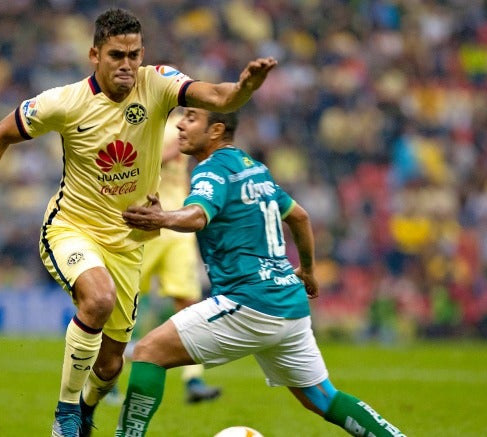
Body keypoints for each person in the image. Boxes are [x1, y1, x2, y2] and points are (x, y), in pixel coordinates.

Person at [0, 8, 277, 437]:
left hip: (129, 242)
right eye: (116, 55)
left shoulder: (157, 83)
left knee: (109, 365)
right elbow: (0, 134)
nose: (127, 65)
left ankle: (86, 408)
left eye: (134, 55)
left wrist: (244, 88)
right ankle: (66, 414)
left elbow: (218, 97)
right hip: (72, 227)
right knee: (98, 299)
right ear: (94, 55)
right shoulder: (64, 102)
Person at [117, 108, 406, 437]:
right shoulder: (255, 168)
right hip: (289, 302)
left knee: (147, 352)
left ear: (216, 130)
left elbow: (198, 215)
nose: (180, 124)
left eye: (192, 118)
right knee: (322, 398)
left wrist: (162, 218)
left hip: (250, 301)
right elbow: (299, 216)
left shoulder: (212, 170)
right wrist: (308, 271)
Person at [131, 108, 222, 404]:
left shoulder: (180, 127)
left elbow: (171, 155)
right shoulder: (139, 124)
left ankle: (193, 380)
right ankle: (108, 376)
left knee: (188, 303)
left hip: (177, 225)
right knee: (127, 301)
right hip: (147, 225)